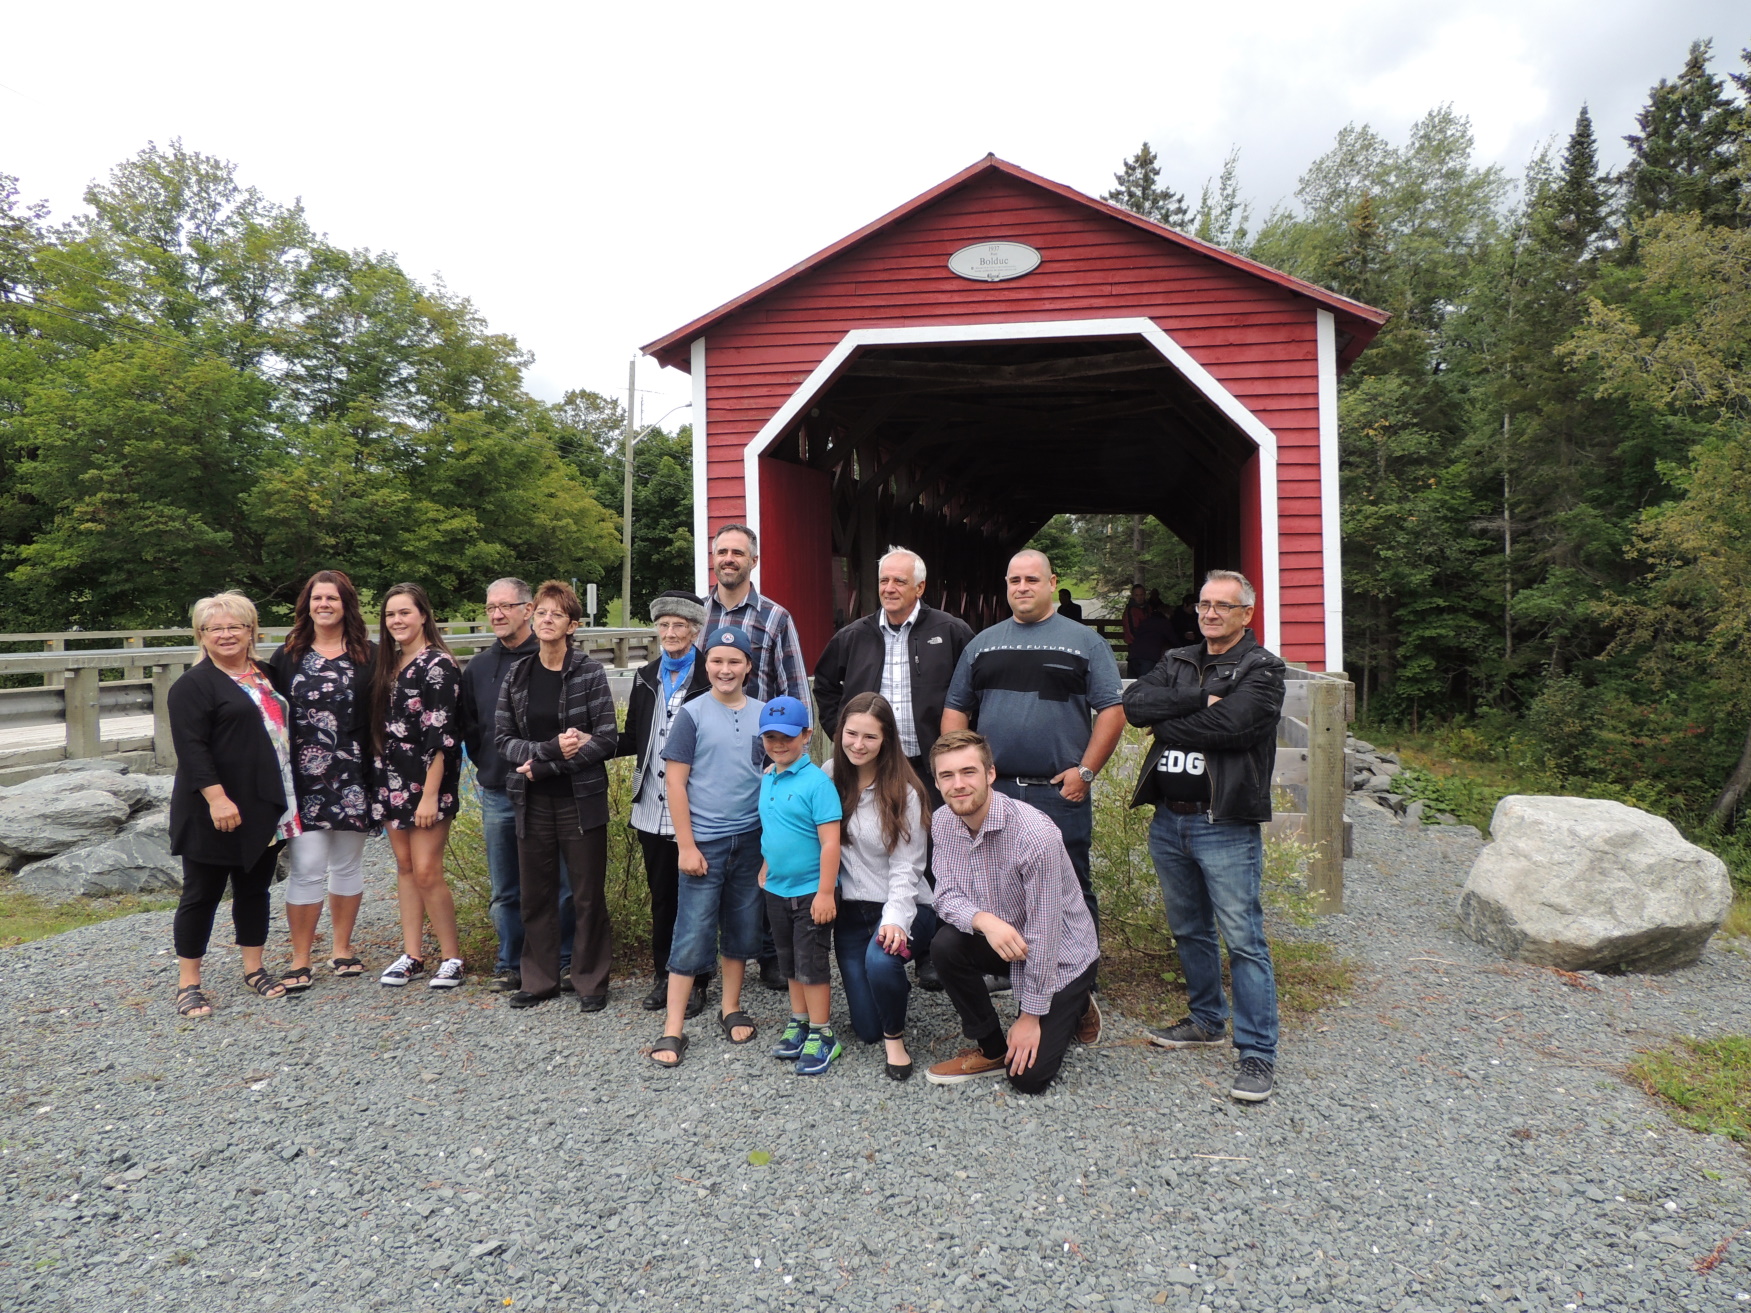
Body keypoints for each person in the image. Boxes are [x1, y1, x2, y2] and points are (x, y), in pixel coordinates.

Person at [1122, 569, 1286, 1103]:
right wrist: (1199, 701)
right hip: (1169, 818)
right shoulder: (1179, 658)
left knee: (1243, 939)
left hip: (1225, 824)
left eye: (1222, 605)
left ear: (1246, 614)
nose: (1210, 613)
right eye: (1203, 604)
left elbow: (1234, 728)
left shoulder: (1263, 668)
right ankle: (1205, 1019)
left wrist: (1172, 719)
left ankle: (1257, 1052)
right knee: (1189, 929)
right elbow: (1135, 707)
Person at [942, 550, 1125, 952]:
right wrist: (960, 773)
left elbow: (1112, 711)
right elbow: (956, 709)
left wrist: (1087, 772)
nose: (1022, 587)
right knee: (994, 879)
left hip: (1058, 791)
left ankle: (1079, 974)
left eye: (1031, 580)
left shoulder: (1085, 643)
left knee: (1070, 881)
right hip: (996, 790)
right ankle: (1007, 965)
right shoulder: (983, 644)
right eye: (1014, 581)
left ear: (1052, 583)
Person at [812, 546, 971, 991]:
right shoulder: (854, 635)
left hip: (931, 763)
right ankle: (877, 929)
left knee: (943, 853)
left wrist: (960, 750)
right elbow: (825, 686)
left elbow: (974, 689)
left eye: (900, 581)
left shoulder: (951, 631)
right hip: (872, 765)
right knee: (877, 845)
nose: (890, 588)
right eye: (884, 581)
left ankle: (932, 949)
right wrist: (844, 735)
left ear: (920, 587)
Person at [923, 731, 1101, 1092]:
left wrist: (1030, 1016)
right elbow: (944, 894)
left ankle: (1077, 1002)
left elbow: (1045, 934)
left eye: (968, 772)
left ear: (990, 774)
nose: (958, 785)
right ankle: (990, 1048)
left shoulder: (1034, 836)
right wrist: (983, 921)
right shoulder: (942, 822)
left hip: (1062, 956)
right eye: (947, 776)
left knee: (1028, 1080)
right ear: (937, 781)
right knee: (945, 944)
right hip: (1004, 939)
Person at [167, 592, 300, 1016]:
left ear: (250, 630)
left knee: (254, 888)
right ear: (201, 636)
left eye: (234, 626)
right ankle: (189, 982)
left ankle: (254, 967)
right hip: (215, 807)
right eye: (214, 628)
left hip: (264, 801)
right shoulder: (192, 686)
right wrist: (217, 798)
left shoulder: (265, 673)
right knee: (201, 893)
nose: (226, 634)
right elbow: (191, 749)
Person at [493, 580, 619, 1011]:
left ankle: (590, 981)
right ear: (532, 616)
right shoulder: (518, 674)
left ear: (572, 625)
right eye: (542, 613)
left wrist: (547, 764)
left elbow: (605, 739)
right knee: (536, 893)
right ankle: (539, 978)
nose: (547, 620)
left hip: (580, 799)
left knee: (585, 894)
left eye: (556, 615)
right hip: (531, 800)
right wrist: (544, 753)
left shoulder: (589, 672)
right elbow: (503, 739)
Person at [648, 626, 767, 1067]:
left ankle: (730, 1005)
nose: (725, 669)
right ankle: (673, 1027)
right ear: (706, 664)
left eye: (734, 662)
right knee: (693, 929)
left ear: (748, 667)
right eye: (716, 661)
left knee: (740, 927)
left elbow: (771, 780)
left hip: (751, 839)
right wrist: (685, 845)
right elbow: (675, 783)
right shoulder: (692, 714)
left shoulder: (763, 714)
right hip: (705, 841)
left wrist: (770, 847)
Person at [701, 522, 808, 990]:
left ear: (753, 560)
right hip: (705, 757)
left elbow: (796, 690)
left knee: (767, 853)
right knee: (709, 862)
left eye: (737, 552)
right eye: (721, 551)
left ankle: (768, 953)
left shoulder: (776, 617)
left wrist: (793, 764)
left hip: (762, 759)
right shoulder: (696, 614)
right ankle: (701, 965)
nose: (728, 559)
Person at [458, 577, 572, 994]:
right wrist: (489, 763)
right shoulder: (480, 666)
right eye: (490, 607)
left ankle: (563, 960)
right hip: (498, 791)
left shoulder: (552, 656)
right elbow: (471, 726)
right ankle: (511, 961)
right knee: (506, 886)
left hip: (549, 789)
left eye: (506, 606)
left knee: (559, 883)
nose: (497, 615)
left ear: (528, 609)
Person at [266, 570, 376, 988]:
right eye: (317, 599)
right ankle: (300, 957)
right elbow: (271, 714)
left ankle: (342, 948)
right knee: (307, 866)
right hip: (303, 777)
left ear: (346, 604)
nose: (324, 605)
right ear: (306, 606)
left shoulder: (369, 654)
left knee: (347, 864)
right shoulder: (289, 655)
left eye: (332, 598)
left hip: (353, 775)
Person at [825, 692, 934, 1080]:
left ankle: (896, 1040)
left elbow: (908, 868)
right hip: (853, 913)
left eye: (869, 737)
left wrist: (895, 922)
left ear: (886, 739)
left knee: (882, 959)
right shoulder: (827, 777)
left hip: (906, 906)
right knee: (864, 1029)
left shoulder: (904, 791)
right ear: (839, 733)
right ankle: (887, 992)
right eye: (851, 734)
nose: (857, 744)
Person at [616, 589, 713, 1016]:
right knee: (662, 897)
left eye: (679, 626)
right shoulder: (645, 676)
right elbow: (632, 736)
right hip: (651, 807)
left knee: (697, 898)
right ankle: (664, 976)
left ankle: (697, 981)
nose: (670, 633)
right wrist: (586, 743)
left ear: (694, 631)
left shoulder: (711, 676)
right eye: (663, 625)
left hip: (696, 806)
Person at [370, 583, 466, 990]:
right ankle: (412, 954)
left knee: (427, 870)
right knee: (406, 867)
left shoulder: (438, 665)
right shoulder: (387, 664)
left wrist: (430, 794)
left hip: (428, 781)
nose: (397, 621)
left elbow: (442, 736)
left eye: (404, 613)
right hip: (390, 778)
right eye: (391, 615)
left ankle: (452, 956)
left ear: (423, 615)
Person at [755, 696, 845, 1075]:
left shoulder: (817, 783)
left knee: (812, 964)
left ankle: (822, 1032)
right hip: (777, 887)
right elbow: (773, 829)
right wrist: (765, 865)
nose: (778, 744)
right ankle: (800, 1019)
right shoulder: (768, 777)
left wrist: (826, 891)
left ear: (806, 735)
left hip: (811, 891)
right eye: (770, 737)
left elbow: (830, 842)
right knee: (789, 961)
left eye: (787, 736)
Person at [1130, 597, 1176, 680]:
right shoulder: (1164, 623)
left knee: (1131, 684)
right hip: (1149, 656)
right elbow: (1173, 640)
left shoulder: (1146, 620)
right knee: (1146, 684)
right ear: (1168, 613)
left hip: (1133, 655)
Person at [1120, 583, 1149, 677]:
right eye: (1137, 595)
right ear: (1133, 596)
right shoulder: (1131, 610)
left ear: (1145, 595)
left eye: (1141, 595)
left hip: (1146, 647)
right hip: (1135, 646)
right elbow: (1131, 629)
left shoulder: (1148, 608)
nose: (1139, 598)